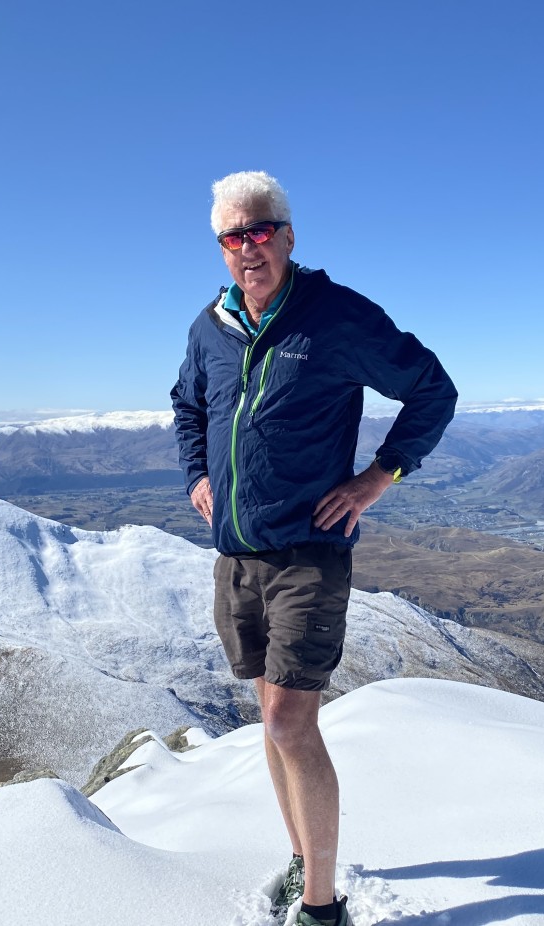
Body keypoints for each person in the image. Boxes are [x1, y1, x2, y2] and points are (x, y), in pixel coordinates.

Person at [171, 171, 456, 926]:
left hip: (308, 551)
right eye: (231, 237)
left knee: (289, 723)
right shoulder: (209, 326)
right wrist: (196, 471)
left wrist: (376, 477)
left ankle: (322, 907)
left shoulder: (335, 316)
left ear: (288, 235)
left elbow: (432, 388)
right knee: (270, 717)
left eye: (259, 230)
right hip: (237, 554)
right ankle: (304, 858)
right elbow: (187, 402)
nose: (246, 248)